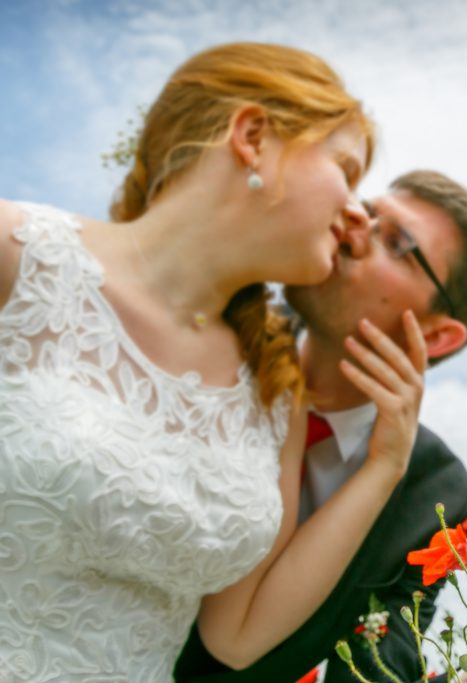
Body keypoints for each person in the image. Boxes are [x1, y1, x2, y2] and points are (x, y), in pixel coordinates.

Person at [0, 42, 426, 682]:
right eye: (345, 170)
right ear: (252, 136)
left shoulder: (274, 390)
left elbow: (239, 635)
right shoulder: (20, 260)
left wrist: (386, 466)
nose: (355, 215)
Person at [174, 170, 467, 683]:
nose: (354, 227)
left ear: (437, 334)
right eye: (367, 211)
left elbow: (379, 672)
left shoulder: (434, 493)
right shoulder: (213, 323)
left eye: (397, 241)